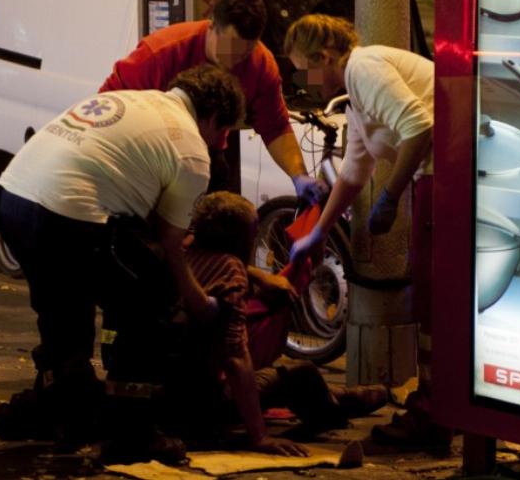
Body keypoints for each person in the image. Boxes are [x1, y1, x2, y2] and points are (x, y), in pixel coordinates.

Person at [0, 64, 244, 449]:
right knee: (151, 297)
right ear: (211, 118)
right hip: (65, 214)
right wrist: (196, 301)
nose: (219, 144)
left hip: (9, 201)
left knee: (64, 308)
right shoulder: (192, 151)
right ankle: (132, 430)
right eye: (221, 133)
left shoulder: (129, 99)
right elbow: (169, 245)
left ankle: (61, 408)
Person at [281, 14, 449, 451]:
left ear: (325, 56)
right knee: (426, 291)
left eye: (303, 69)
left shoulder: (364, 67)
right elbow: (354, 172)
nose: (303, 80)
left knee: (431, 292)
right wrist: (317, 233)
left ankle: (434, 411)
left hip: (447, 173)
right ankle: (437, 404)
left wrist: (390, 197)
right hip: (435, 177)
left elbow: (420, 126)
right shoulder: (355, 94)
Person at [162, 192, 387, 454]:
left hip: (166, 399)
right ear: (244, 238)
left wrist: (259, 277)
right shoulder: (230, 272)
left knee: (282, 375)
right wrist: (259, 437)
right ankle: (334, 407)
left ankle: (337, 396)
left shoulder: (181, 253)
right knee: (302, 372)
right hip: (204, 405)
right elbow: (236, 360)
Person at [99, 0, 325, 204]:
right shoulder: (162, 52)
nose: (233, 60)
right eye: (229, 48)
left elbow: (275, 127)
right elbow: (109, 106)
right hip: (150, 154)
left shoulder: (260, 64)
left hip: (208, 155)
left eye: (243, 53)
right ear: (212, 26)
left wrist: (298, 175)